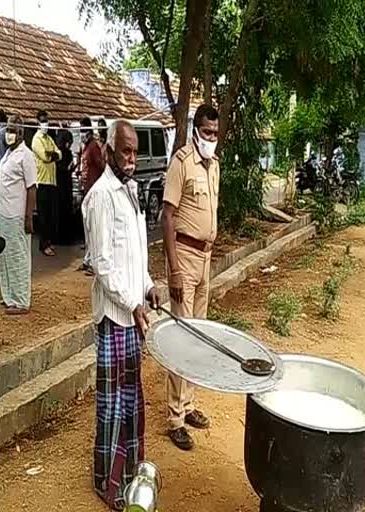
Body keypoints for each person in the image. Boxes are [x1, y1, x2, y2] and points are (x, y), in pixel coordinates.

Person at [83, 119, 158, 510]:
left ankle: (129, 474)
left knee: (132, 399)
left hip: (134, 314)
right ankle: (106, 484)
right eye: (124, 150)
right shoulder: (100, 197)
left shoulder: (131, 192)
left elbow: (135, 259)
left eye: (134, 151)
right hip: (115, 317)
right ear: (109, 151)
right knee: (112, 405)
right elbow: (103, 266)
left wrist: (149, 286)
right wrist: (133, 303)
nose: (131, 158)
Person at [161, 104, 220, 450]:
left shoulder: (214, 165)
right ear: (196, 130)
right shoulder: (182, 163)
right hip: (183, 255)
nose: (211, 138)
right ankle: (175, 417)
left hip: (206, 257)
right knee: (182, 339)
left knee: (200, 336)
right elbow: (167, 217)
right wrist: (174, 270)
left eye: (215, 133)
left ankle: (190, 404)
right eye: (207, 132)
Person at [0, 116, 37, 315]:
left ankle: (21, 300)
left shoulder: (26, 155)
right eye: (7, 129)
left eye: (12, 130)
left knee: (18, 256)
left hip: (15, 214)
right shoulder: (9, 153)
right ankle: (9, 296)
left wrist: (29, 217)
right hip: (1, 212)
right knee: (5, 256)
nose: (8, 134)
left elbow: (32, 188)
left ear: (20, 132)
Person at [31, 110, 62, 256]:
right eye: (43, 121)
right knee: (43, 216)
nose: (45, 124)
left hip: (52, 181)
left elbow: (59, 153)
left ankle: (48, 242)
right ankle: (43, 245)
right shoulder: (36, 139)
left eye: (46, 121)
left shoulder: (49, 138)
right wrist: (52, 154)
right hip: (42, 181)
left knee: (51, 215)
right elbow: (45, 156)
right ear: (38, 122)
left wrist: (53, 154)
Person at [77, 117, 105, 275]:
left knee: (94, 227)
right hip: (85, 190)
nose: (81, 133)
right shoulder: (85, 146)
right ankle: (88, 260)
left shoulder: (94, 146)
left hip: (93, 191)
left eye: (83, 130)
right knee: (87, 228)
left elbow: (101, 166)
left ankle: (95, 262)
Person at [55, 128, 76, 245]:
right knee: (62, 210)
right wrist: (67, 168)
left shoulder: (65, 152)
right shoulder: (60, 153)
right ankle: (63, 238)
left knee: (65, 210)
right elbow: (60, 168)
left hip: (64, 184)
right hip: (62, 184)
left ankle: (65, 237)